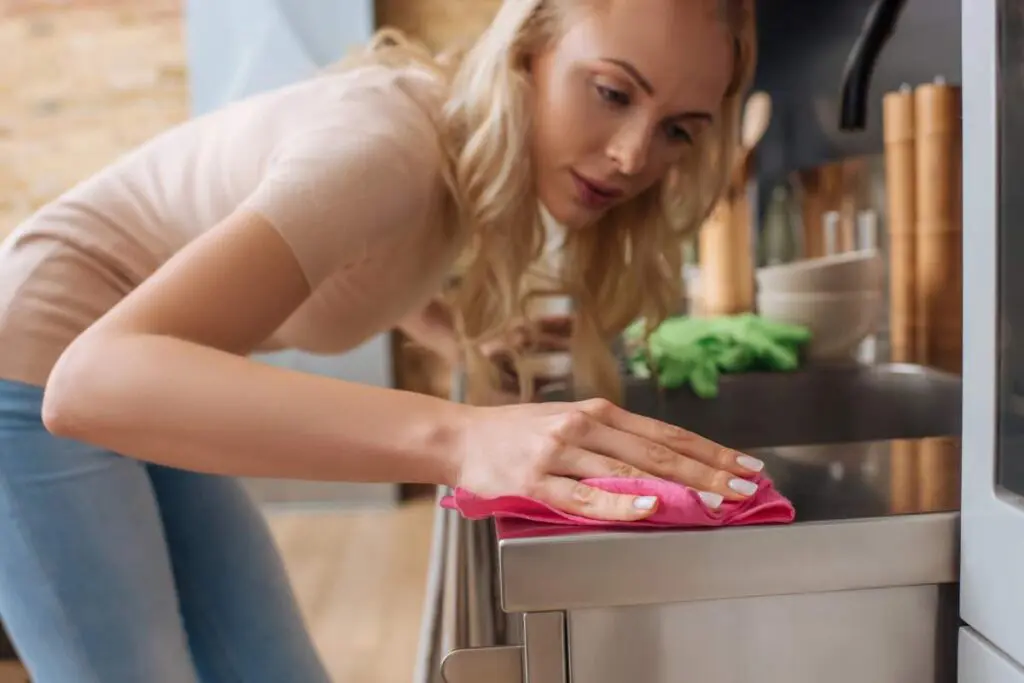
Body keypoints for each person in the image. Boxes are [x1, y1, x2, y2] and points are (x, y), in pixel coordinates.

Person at [0, 0, 763, 680]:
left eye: (676, 131)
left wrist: (452, 327)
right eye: (612, 92)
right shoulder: (385, 147)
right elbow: (89, 380)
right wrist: (462, 437)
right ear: (530, 46)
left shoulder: (450, 148)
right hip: (31, 368)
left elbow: (345, 252)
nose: (634, 155)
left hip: (139, 370)